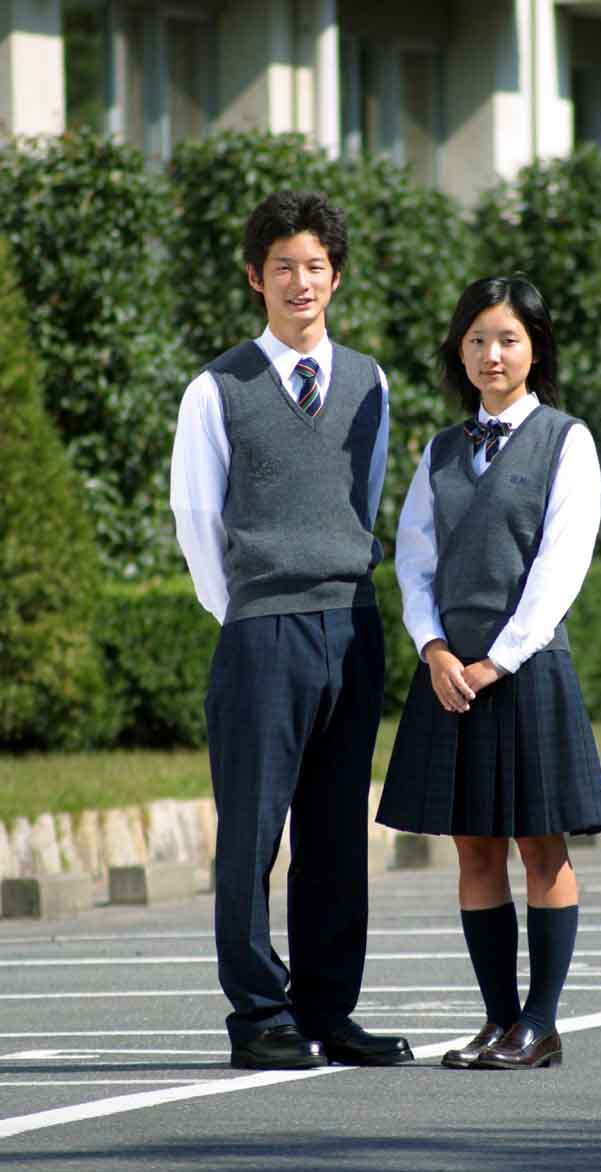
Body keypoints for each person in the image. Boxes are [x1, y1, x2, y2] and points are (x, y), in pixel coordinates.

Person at [170, 190, 412, 1071]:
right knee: (253, 831)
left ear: (336, 278)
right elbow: (196, 515)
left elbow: (365, 499)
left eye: (315, 267)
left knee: (337, 831)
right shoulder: (217, 387)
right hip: (262, 630)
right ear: (254, 279)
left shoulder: (369, 381)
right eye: (283, 268)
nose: (300, 282)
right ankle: (260, 1017)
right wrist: (241, 612)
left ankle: (328, 1009)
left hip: (352, 625)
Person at [377, 275, 601, 1070]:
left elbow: (561, 564)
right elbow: (414, 560)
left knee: (540, 847)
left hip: (526, 669)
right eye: (477, 339)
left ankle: (541, 1024)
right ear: (460, 350)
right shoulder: (440, 449)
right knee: (474, 848)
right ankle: (499, 1019)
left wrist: (496, 660)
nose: (491, 354)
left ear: (534, 349)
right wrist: (435, 651)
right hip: (449, 675)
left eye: (508, 339)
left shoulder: (566, 440)